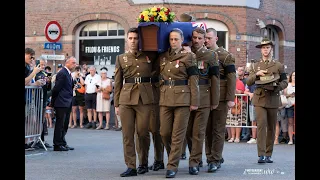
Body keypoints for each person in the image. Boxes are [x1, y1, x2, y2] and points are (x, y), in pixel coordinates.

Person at [158, 28, 200, 178]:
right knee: (164, 132)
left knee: (178, 134)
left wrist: (194, 101)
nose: (173, 42)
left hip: (183, 99)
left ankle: (172, 166)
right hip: (165, 98)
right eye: (171, 39)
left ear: (182, 40)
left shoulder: (189, 56)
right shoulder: (162, 56)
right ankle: (173, 156)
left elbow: (194, 79)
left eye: (176, 39)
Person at [114, 27, 155, 177]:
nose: (133, 41)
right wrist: (116, 104)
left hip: (145, 98)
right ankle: (131, 166)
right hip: (126, 98)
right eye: (130, 38)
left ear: (140, 40)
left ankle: (143, 163)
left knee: (143, 132)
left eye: (135, 38)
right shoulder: (121, 58)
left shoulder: (149, 56)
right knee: (127, 134)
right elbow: (117, 83)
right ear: (127, 40)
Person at [246, 37, 288, 163]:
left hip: (273, 98)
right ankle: (261, 154)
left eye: (268, 47)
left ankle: (269, 154)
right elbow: (248, 81)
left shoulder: (278, 65)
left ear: (271, 49)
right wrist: (256, 74)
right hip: (259, 98)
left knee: (271, 127)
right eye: (263, 48)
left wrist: (277, 87)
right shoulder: (255, 65)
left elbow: (285, 81)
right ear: (261, 50)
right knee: (261, 125)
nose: (265, 50)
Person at [184, 27, 220, 175]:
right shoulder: (184, 54)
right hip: (186, 97)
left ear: (204, 39)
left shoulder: (210, 55)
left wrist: (215, 100)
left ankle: (194, 161)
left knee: (198, 132)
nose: (197, 40)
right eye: (194, 38)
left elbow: (215, 79)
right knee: (188, 132)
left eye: (200, 38)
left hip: (204, 97)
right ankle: (196, 157)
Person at [204, 28, 236, 172]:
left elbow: (231, 78)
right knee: (206, 129)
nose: (206, 40)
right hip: (205, 96)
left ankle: (214, 159)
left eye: (209, 38)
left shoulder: (225, 56)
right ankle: (210, 155)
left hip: (221, 97)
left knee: (218, 129)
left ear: (216, 38)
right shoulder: (202, 55)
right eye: (205, 38)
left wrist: (230, 98)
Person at [135, 51, 165, 173]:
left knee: (156, 130)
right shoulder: (137, 55)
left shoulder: (160, 56)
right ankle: (143, 162)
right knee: (141, 132)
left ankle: (159, 160)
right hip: (140, 96)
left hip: (154, 95)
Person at [50, 56, 77, 151]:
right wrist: (52, 102)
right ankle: (57, 144)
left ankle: (62, 142)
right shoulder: (62, 73)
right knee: (60, 124)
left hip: (67, 101)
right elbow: (56, 88)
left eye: (75, 63)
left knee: (65, 124)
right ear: (67, 63)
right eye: (73, 63)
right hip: (61, 102)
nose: (75, 65)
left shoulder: (69, 74)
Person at [284, 71, 295, 145]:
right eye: (293, 75)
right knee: (290, 123)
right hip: (290, 105)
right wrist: (290, 95)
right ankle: (291, 139)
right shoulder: (287, 85)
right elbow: (285, 94)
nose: (294, 77)